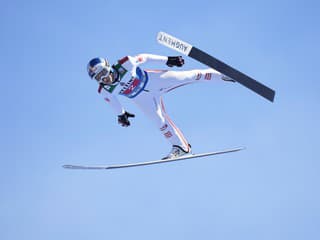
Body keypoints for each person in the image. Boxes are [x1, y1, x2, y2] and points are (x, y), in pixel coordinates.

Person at [87, 54, 235, 159]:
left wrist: (167, 60)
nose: (105, 79)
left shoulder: (125, 63)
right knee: (159, 122)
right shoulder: (104, 90)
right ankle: (181, 147)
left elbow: (145, 57)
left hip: (155, 81)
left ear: (109, 67)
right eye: (99, 78)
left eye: (104, 73)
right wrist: (121, 114)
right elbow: (113, 101)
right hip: (142, 99)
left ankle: (221, 75)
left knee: (189, 76)